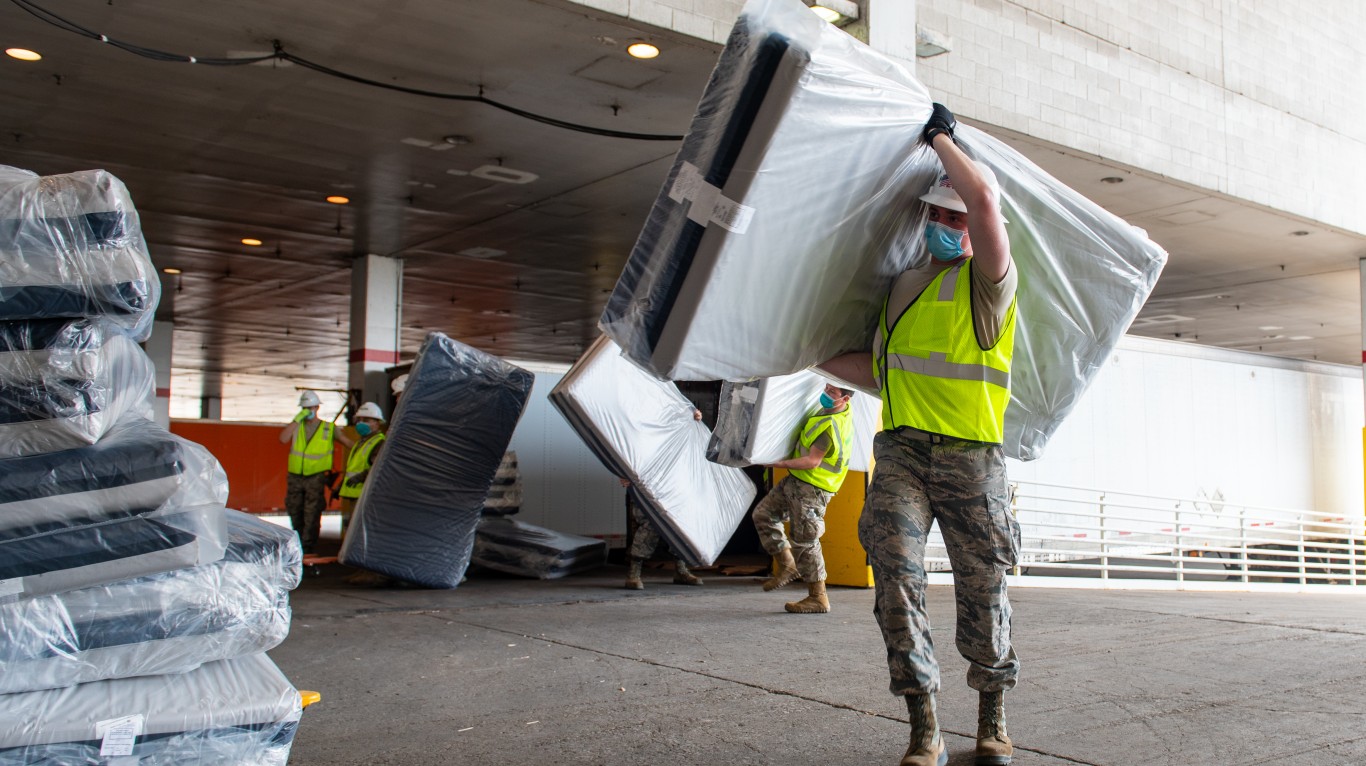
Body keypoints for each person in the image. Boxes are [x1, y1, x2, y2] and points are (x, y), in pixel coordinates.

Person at [821, 103, 1020, 766]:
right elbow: (879, 369)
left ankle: (991, 716)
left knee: (982, 589)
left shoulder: (987, 286)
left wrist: (940, 137)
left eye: (955, 217)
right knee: (895, 580)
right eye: (938, 214)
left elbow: (986, 198)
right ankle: (924, 723)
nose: (947, 224)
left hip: (971, 459)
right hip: (902, 451)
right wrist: (795, 351)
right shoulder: (904, 287)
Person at [751, 382, 855, 614]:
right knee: (764, 514)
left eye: (833, 392)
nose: (826, 394)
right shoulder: (834, 411)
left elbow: (812, 461)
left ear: (845, 399)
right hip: (797, 480)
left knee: (806, 541)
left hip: (813, 488)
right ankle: (787, 565)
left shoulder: (829, 426)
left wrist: (777, 463)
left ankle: (818, 597)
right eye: (827, 388)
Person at [622, 408, 705, 590]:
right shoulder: (640, 424)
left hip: (673, 480)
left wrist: (695, 417)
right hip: (646, 480)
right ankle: (634, 572)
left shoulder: (673, 413)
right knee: (649, 524)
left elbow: (689, 423)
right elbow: (623, 446)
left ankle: (681, 569)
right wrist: (623, 472)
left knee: (681, 523)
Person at [278, 390, 337, 554]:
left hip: (316, 477)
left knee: (312, 512)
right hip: (296, 477)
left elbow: (347, 442)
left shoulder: (328, 428)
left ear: (317, 408)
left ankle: (308, 546)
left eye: (310, 408)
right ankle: (298, 542)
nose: (307, 411)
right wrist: (296, 420)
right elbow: (282, 439)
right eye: (304, 408)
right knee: (294, 509)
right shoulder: (297, 426)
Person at [337, 401, 386, 541]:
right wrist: (341, 485)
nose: (361, 423)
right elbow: (353, 468)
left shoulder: (379, 442)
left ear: (377, 423)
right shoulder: (361, 442)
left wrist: (360, 477)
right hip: (354, 494)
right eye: (359, 420)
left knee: (359, 531)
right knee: (352, 527)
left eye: (366, 420)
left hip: (365, 496)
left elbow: (377, 468)